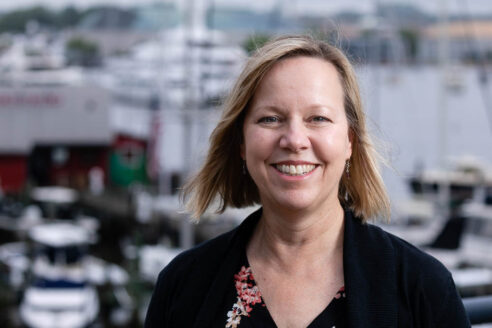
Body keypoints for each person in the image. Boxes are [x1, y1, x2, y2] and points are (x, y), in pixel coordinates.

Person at [145, 35, 470, 328]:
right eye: (270, 118)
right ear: (242, 143)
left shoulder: (422, 288)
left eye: (318, 118)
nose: (294, 139)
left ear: (349, 142)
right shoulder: (184, 284)